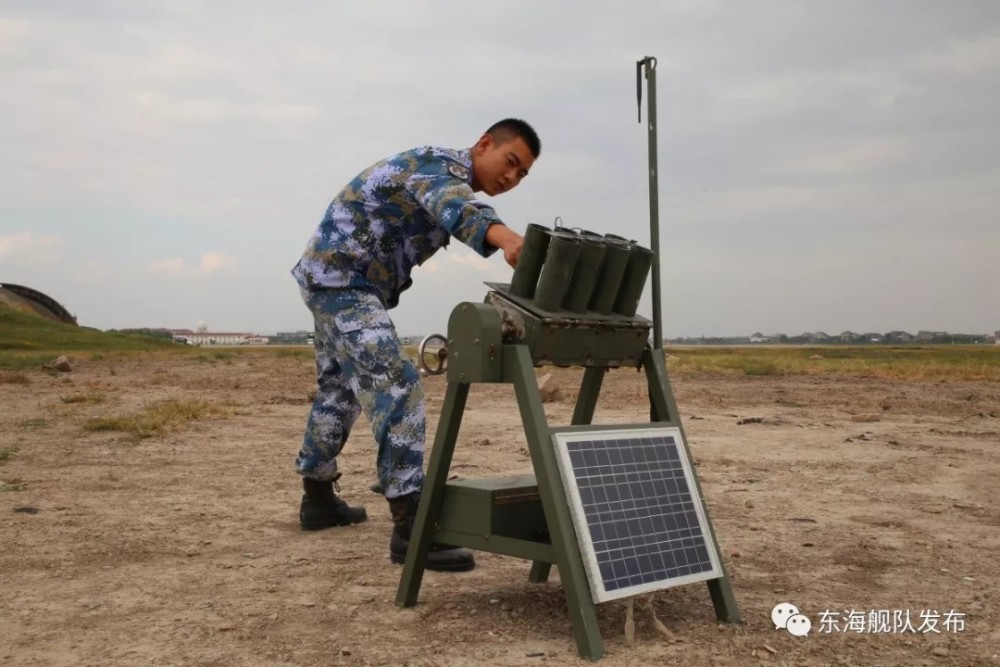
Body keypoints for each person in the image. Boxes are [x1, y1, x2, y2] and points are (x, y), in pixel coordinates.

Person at [290, 118, 541, 572]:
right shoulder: (437, 166)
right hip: (342, 279)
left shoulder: (443, 173)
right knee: (396, 383)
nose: (511, 177)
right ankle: (412, 526)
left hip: (333, 276)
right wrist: (507, 239)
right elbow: (453, 205)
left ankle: (318, 497)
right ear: (484, 143)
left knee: (339, 390)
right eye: (510, 161)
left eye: (522, 174)